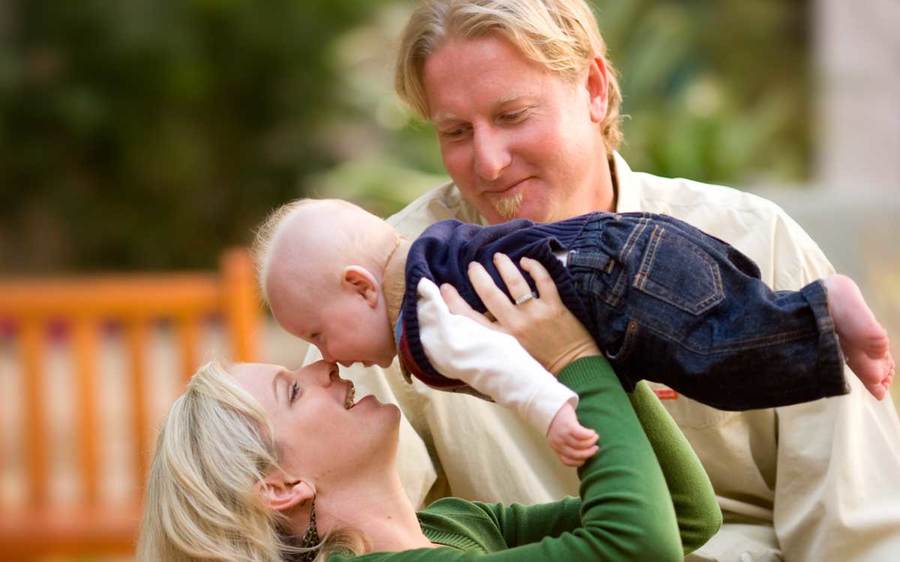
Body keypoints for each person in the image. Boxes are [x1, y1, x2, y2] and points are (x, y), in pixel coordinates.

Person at [298, 0, 900, 560]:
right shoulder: (392, 288)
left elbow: (857, 523)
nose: (488, 162)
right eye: (456, 131)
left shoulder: (749, 238)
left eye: (513, 115)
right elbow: (341, 513)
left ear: (594, 88)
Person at [136, 262, 722, 561]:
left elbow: (685, 515)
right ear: (281, 485)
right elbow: (641, 547)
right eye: (293, 390)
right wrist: (572, 356)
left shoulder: (455, 525)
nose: (325, 368)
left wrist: (602, 367)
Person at [256, 197, 892, 416]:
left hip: (610, 281)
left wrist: (562, 407)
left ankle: (819, 308)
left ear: (363, 287)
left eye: (317, 332)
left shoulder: (425, 319)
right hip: (625, 240)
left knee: (719, 359)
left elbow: (508, 367)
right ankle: (798, 310)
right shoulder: (436, 242)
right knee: (708, 344)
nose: (326, 356)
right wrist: (636, 361)